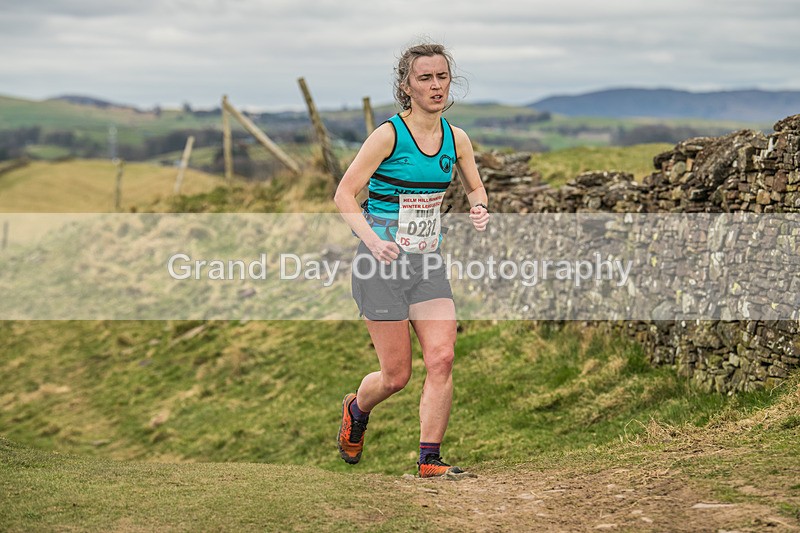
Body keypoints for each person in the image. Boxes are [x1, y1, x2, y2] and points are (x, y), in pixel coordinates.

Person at [334, 42, 489, 478]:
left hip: (426, 264)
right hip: (379, 265)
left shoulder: (456, 138)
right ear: (407, 85)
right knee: (396, 376)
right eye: (425, 78)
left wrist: (478, 206)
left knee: (442, 357)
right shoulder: (388, 135)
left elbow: (475, 187)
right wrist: (371, 241)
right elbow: (344, 194)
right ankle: (356, 408)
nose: (436, 85)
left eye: (442, 76)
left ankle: (429, 461)